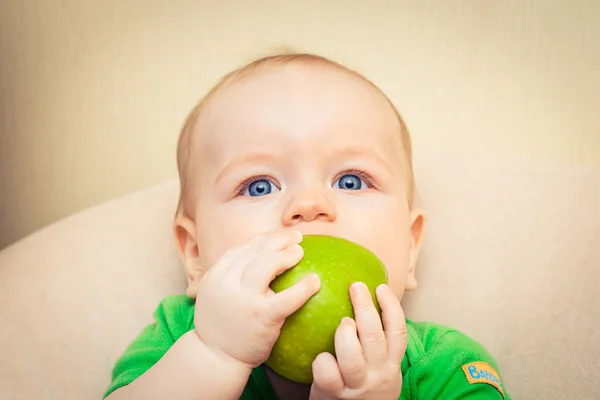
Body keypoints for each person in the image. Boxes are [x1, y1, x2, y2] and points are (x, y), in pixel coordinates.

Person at [104, 53, 509, 399]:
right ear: (195, 256)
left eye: (351, 181)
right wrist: (214, 357)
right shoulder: (179, 340)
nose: (308, 206)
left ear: (410, 247)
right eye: (259, 186)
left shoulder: (443, 366)